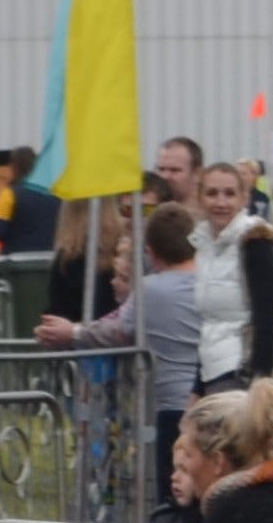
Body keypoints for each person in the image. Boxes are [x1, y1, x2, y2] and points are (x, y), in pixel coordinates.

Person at [41, 203, 208, 493]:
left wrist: (74, 331)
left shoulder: (151, 290)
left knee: (173, 486)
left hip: (170, 403)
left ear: (151, 252)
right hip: (211, 399)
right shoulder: (211, 283)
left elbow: (116, 330)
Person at [184, 158, 273, 401]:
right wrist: (197, 388)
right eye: (212, 193)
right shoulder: (204, 245)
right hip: (213, 370)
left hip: (241, 374)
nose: (221, 202)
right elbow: (210, 324)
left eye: (229, 194)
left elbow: (267, 321)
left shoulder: (254, 242)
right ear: (200, 198)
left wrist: (259, 386)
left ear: (244, 199)